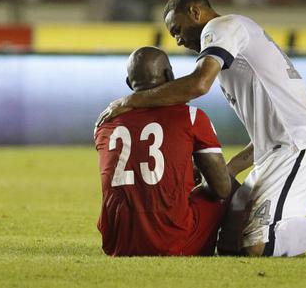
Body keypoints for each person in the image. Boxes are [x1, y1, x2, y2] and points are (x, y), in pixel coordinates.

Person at [97, 0, 306, 258]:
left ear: (195, 13)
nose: (177, 39)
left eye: (177, 29)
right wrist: (231, 167)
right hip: (276, 150)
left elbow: (198, 85)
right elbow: (266, 128)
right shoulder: (232, 52)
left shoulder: (222, 27)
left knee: (256, 245)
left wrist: (130, 101)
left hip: (298, 146)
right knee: (229, 244)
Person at [94, 46, 233, 256]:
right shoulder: (192, 116)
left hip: (117, 243)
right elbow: (221, 189)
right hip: (172, 240)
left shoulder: (104, 122)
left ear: (129, 84)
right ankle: (235, 246)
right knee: (226, 191)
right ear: (170, 75)